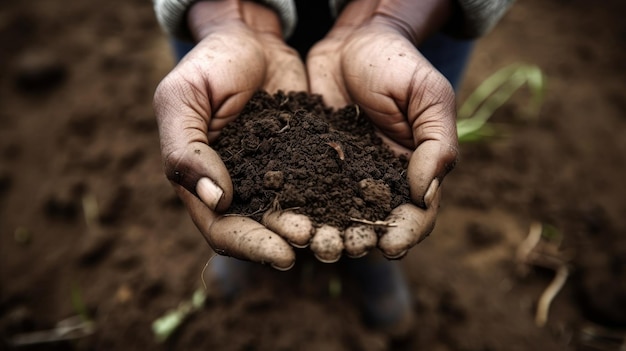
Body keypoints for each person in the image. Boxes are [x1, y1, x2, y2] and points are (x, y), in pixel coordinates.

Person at [152, 0, 513, 332]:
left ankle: (372, 254)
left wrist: (388, 17)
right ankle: (247, 241)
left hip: (413, 16)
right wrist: (228, 18)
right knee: (229, 118)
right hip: (228, 28)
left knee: (407, 108)